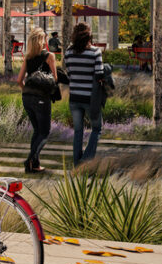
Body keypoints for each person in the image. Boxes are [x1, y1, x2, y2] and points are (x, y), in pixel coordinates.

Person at [62, 22, 108, 164]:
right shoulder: (95, 52)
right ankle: (86, 160)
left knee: (78, 131)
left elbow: (69, 73)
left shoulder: (68, 52)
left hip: (74, 97)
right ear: (89, 36)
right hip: (90, 98)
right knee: (97, 129)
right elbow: (99, 74)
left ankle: (77, 163)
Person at [18, 28, 60, 173]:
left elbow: (19, 80)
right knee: (45, 132)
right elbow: (54, 79)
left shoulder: (28, 57)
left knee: (37, 131)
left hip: (26, 97)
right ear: (42, 41)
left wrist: (27, 91)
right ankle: (30, 159)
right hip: (41, 98)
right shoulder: (49, 56)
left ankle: (34, 165)